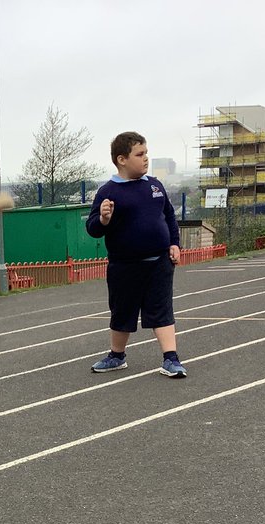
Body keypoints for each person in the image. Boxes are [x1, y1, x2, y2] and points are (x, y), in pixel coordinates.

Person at [85, 132, 186, 377]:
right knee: (122, 311)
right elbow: (93, 229)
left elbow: (169, 216)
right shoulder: (108, 192)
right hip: (125, 266)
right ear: (122, 159)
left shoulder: (154, 185)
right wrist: (104, 218)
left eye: (146, 153)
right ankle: (117, 356)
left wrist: (174, 243)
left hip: (159, 262)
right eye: (139, 154)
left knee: (162, 309)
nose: (146, 159)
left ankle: (171, 359)